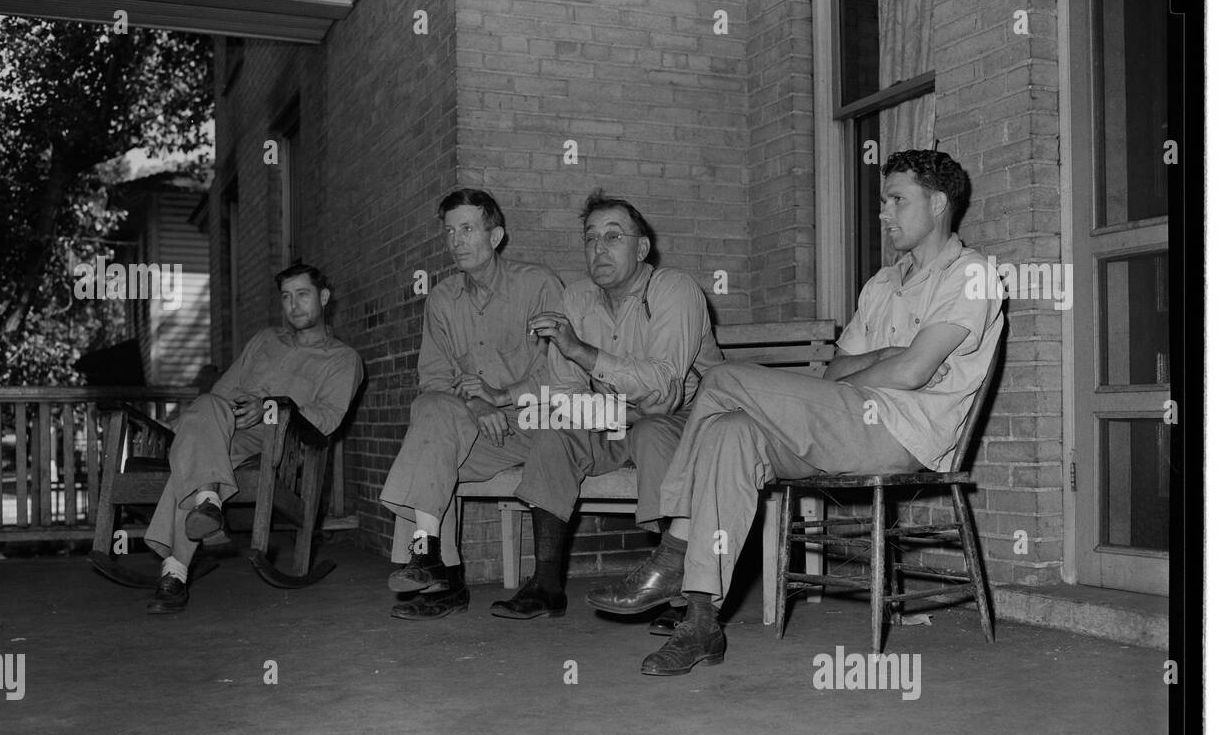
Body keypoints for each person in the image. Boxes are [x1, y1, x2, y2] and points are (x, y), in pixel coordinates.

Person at [588, 150, 1004, 675]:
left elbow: (913, 373)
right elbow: (837, 375)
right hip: (846, 420)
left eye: (898, 200)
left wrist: (890, 364)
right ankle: (699, 623)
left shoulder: (972, 275)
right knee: (731, 433)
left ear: (939, 203)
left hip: (902, 435)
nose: (883, 213)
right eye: (882, 201)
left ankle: (674, 550)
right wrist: (883, 356)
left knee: (721, 379)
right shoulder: (881, 284)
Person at [489, 190, 723, 619]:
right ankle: (545, 584)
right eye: (591, 238)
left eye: (614, 237)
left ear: (641, 247)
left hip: (691, 420)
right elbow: (564, 394)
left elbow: (663, 386)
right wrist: (625, 411)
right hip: (621, 417)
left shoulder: (674, 289)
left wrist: (581, 352)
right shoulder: (576, 298)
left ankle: (681, 591)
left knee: (653, 432)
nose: (599, 248)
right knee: (554, 424)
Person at [379, 188, 564, 619]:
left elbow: (559, 372)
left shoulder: (538, 284)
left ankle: (438, 573)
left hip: (539, 426)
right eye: (449, 232)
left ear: (495, 235)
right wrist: (479, 408)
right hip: (478, 429)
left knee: (425, 454)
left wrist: (500, 398)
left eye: (467, 229)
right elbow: (435, 379)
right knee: (429, 422)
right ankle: (432, 562)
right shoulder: (442, 299)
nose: (456, 241)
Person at [145, 262, 364, 613]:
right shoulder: (264, 340)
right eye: (287, 297)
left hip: (278, 444)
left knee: (191, 456)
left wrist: (270, 409)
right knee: (203, 410)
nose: (294, 305)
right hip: (227, 430)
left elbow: (328, 419)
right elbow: (221, 391)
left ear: (323, 298)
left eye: (303, 295)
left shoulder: (342, 360)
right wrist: (234, 410)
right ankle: (206, 508)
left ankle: (176, 569)